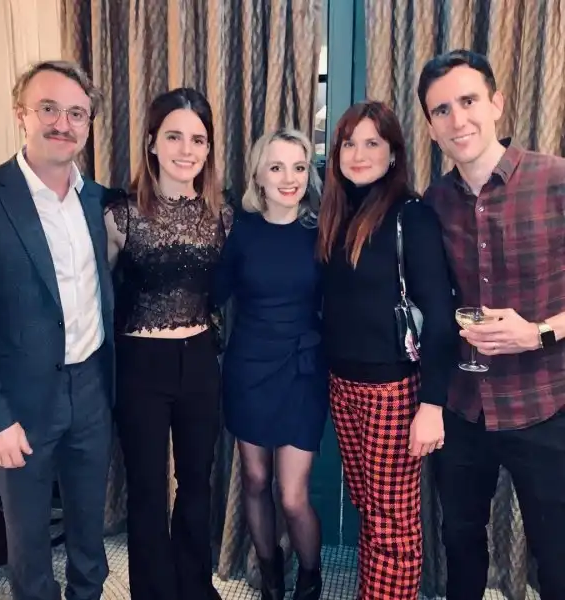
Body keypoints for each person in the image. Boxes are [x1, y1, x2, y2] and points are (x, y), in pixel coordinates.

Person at [418, 48, 565, 600]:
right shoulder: (433, 202)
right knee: (460, 543)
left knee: (557, 555)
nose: (458, 119)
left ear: (497, 103)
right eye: (442, 110)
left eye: (469, 101)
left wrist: (539, 332)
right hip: (464, 405)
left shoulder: (555, 180)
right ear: (431, 128)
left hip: (544, 402)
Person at [0, 60, 115, 600]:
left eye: (77, 113)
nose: (62, 123)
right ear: (21, 114)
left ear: (89, 124)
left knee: (90, 534)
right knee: (28, 547)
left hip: (92, 389)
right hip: (19, 403)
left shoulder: (98, 200)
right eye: (48, 108)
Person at [317, 101, 456, 600]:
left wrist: (432, 405)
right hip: (342, 385)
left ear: (393, 153)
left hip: (391, 392)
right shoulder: (336, 214)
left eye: (372, 143)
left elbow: (440, 316)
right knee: (369, 508)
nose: (358, 154)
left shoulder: (411, 216)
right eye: (349, 143)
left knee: (392, 524)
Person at [104, 88, 232, 600]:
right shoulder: (120, 214)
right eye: (174, 136)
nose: (187, 149)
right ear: (152, 143)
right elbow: (93, 296)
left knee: (198, 482)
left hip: (200, 360)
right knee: (148, 488)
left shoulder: (222, 215)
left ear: (209, 148)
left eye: (198, 139)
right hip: (141, 365)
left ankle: (195, 587)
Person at [212, 129, 328, 600]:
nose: (288, 178)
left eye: (299, 167)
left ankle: (310, 579)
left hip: (303, 371)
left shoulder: (322, 231)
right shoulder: (240, 231)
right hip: (249, 368)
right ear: (258, 176)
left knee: (293, 496)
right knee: (255, 479)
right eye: (276, 167)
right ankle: (271, 579)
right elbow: (211, 295)